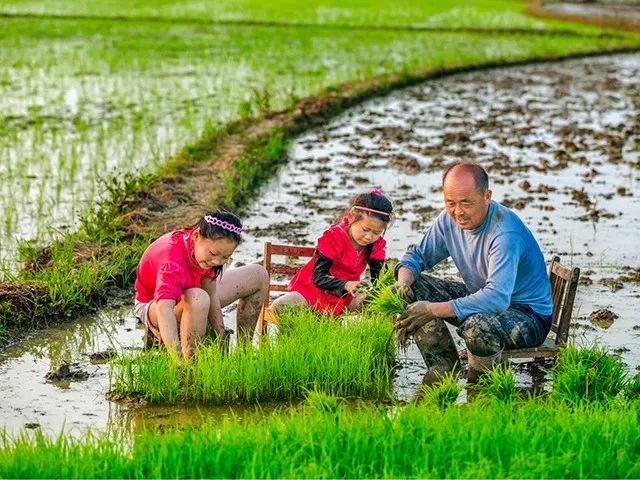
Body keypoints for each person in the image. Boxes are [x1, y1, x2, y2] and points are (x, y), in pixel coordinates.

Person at [393, 161, 553, 382]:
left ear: (487, 196)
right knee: (413, 287)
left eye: (466, 203)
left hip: (527, 315)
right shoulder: (448, 221)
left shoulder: (505, 233)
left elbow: (497, 298)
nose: (458, 212)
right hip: (482, 300)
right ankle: (443, 366)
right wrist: (403, 283)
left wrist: (431, 309)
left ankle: (481, 385)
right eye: (450, 203)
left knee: (476, 327)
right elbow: (417, 256)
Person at [134, 210, 269, 358]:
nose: (217, 262)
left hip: (195, 291)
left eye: (225, 256)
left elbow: (211, 293)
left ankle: (244, 353)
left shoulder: (203, 253)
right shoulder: (172, 261)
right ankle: (191, 364)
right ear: (196, 235)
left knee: (258, 275)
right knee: (199, 298)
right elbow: (164, 310)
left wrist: (221, 334)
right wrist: (176, 357)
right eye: (213, 253)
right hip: (156, 305)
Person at [269, 189, 394, 316]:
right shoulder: (334, 237)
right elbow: (318, 277)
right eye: (365, 229)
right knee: (280, 306)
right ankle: (292, 336)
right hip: (312, 291)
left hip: (344, 297)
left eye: (376, 233)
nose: (369, 237)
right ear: (351, 216)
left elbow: (378, 280)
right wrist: (346, 284)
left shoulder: (375, 245)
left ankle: (371, 335)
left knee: (381, 303)